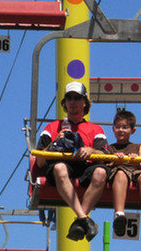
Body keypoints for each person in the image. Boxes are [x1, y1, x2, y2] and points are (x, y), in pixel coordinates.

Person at [35, 82, 109, 241]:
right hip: (60, 168)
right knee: (60, 168)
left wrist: (90, 151)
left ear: (84, 102)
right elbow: (40, 161)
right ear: (65, 102)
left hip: (86, 168)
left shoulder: (96, 130)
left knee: (101, 172)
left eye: (77, 97)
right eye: (69, 98)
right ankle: (84, 218)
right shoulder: (52, 127)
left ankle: (79, 221)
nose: (72, 101)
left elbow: (104, 156)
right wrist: (55, 142)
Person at [108, 110, 141, 237]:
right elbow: (106, 163)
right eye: (118, 127)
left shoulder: (139, 146)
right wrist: (115, 160)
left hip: (136, 170)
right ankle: (119, 214)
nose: (121, 130)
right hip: (120, 170)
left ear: (132, 130)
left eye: (125, 127)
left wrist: (135, 159)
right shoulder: (110, 148)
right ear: (113, 129)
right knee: (120, 174)